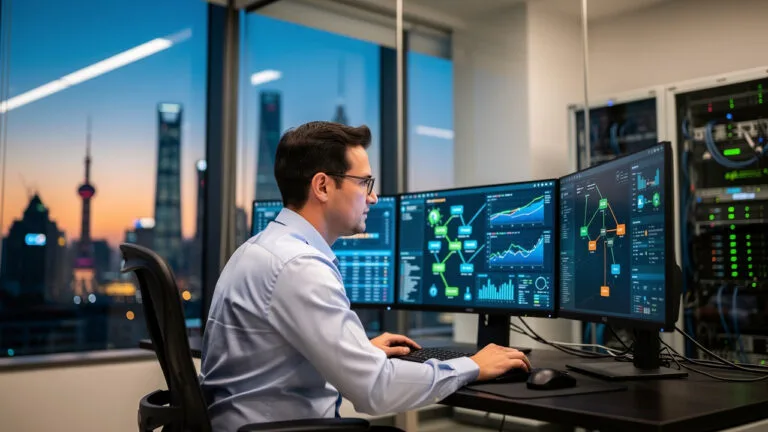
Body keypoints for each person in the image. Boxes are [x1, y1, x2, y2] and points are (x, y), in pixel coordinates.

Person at [200, 121, 531, 430]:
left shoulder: (261, 248)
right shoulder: (298, 266)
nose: (373, 196)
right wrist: (473, 365)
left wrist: (359, 350)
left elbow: (278, 357)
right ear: (323, 186)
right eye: (365, 183)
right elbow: (377, 389)